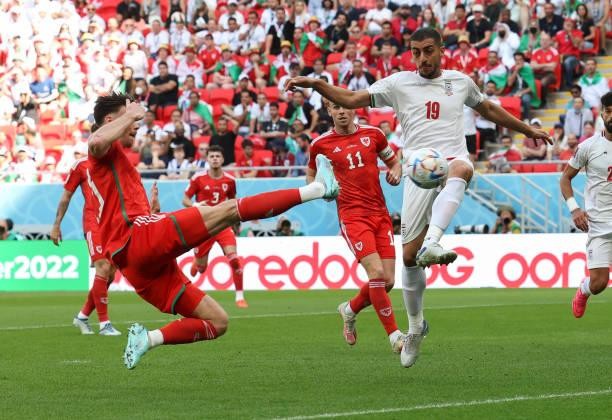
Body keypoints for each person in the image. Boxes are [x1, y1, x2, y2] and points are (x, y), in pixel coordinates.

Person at [285, 27, 551, 369]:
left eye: (428, 50)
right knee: (408, 258)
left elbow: (488, 109)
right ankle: (414, 328)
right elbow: (350, 99)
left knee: (462, 169)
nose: (422, 58)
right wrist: (315, 83)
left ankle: (435, 242)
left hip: (452, 158)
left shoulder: (460, 81)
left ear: (441, 49)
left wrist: (528, 130)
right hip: (417, 172)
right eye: (416, 52)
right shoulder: (399, 84)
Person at [86, 93, 338, 369]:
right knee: (229, 211)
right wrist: (132, 114)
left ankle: (148, 339)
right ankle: (317, 188)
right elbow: (97, 140)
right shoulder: (102, 149)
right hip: (136, 239)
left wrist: (151, 214)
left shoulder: (116, 160)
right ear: (110, 120)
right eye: (128, 115)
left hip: (138, 264)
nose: (137, 123)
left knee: (217, 321)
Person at [307, 98, 405, 353]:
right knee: (377, 275)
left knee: (389, 281)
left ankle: (349, 309)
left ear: (353, 109)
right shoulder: (320, 145)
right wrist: (321, 188)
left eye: (344, 107)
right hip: (352, 216)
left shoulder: (374, 134)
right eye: (335, 108)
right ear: (329, 111)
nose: (341, 112)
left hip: (380, 214)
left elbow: (394, 161)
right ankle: (395, 336)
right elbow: (311, 176)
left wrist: (396, 170)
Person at [50, 155, 122, 336]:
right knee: (103, 267)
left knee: (111, 274)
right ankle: (104, 324)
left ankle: (82, 317)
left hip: (113, 224)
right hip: (94, 224)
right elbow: (66, 195)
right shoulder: (81, 165)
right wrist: (57, 225)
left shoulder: (116, 161)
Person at [561, 92, 612, 319]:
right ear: (602, 113)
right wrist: (575, 209)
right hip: (599, 224)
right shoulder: (588, 147)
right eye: (609, 111)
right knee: (599, 283)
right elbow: (565, 179)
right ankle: (584, 290)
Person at [182, 145, 248, 308]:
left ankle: (240, 296)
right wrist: (196, 204)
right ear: (207, 159)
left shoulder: (230, 180)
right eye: (212, 156)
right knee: (202, 269)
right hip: (204, 226)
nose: (215, 159)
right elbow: (185, 200)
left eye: (218, 156)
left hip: (223, 225)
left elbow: (233, 201)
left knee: (234, 259)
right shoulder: (198, 178)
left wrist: (234, 222)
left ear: (223, 159)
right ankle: (197, 263)